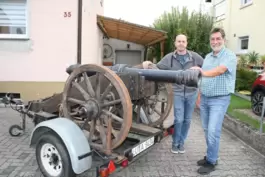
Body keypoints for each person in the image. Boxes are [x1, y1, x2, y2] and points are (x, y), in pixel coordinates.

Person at [142, 34, 204, 154]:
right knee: (179, 119)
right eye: (179, 41)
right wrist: (148, 65)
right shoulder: (169, 58)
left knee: (187, 120)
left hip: (192, 93)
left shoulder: (195, 57)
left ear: (186, 43)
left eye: (183, 41)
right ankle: (175, 143)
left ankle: (182, 142)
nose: (181, 43)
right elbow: (158, 68)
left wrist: (200, 71)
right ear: (175, 43)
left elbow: (206, 67)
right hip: (178, 93)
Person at [190, 27, 237, 175]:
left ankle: (212, 161)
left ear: (224, 40)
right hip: (205, 98)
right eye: (213, 39)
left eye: (218, 39)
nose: (215, 42)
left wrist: (202, 71)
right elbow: (202, 79)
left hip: (219, 99)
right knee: (206, 130)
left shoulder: (229, 55)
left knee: (212, 131)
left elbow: (219, 70)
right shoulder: (208, 56)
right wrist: (199, 94)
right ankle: (210, 155)